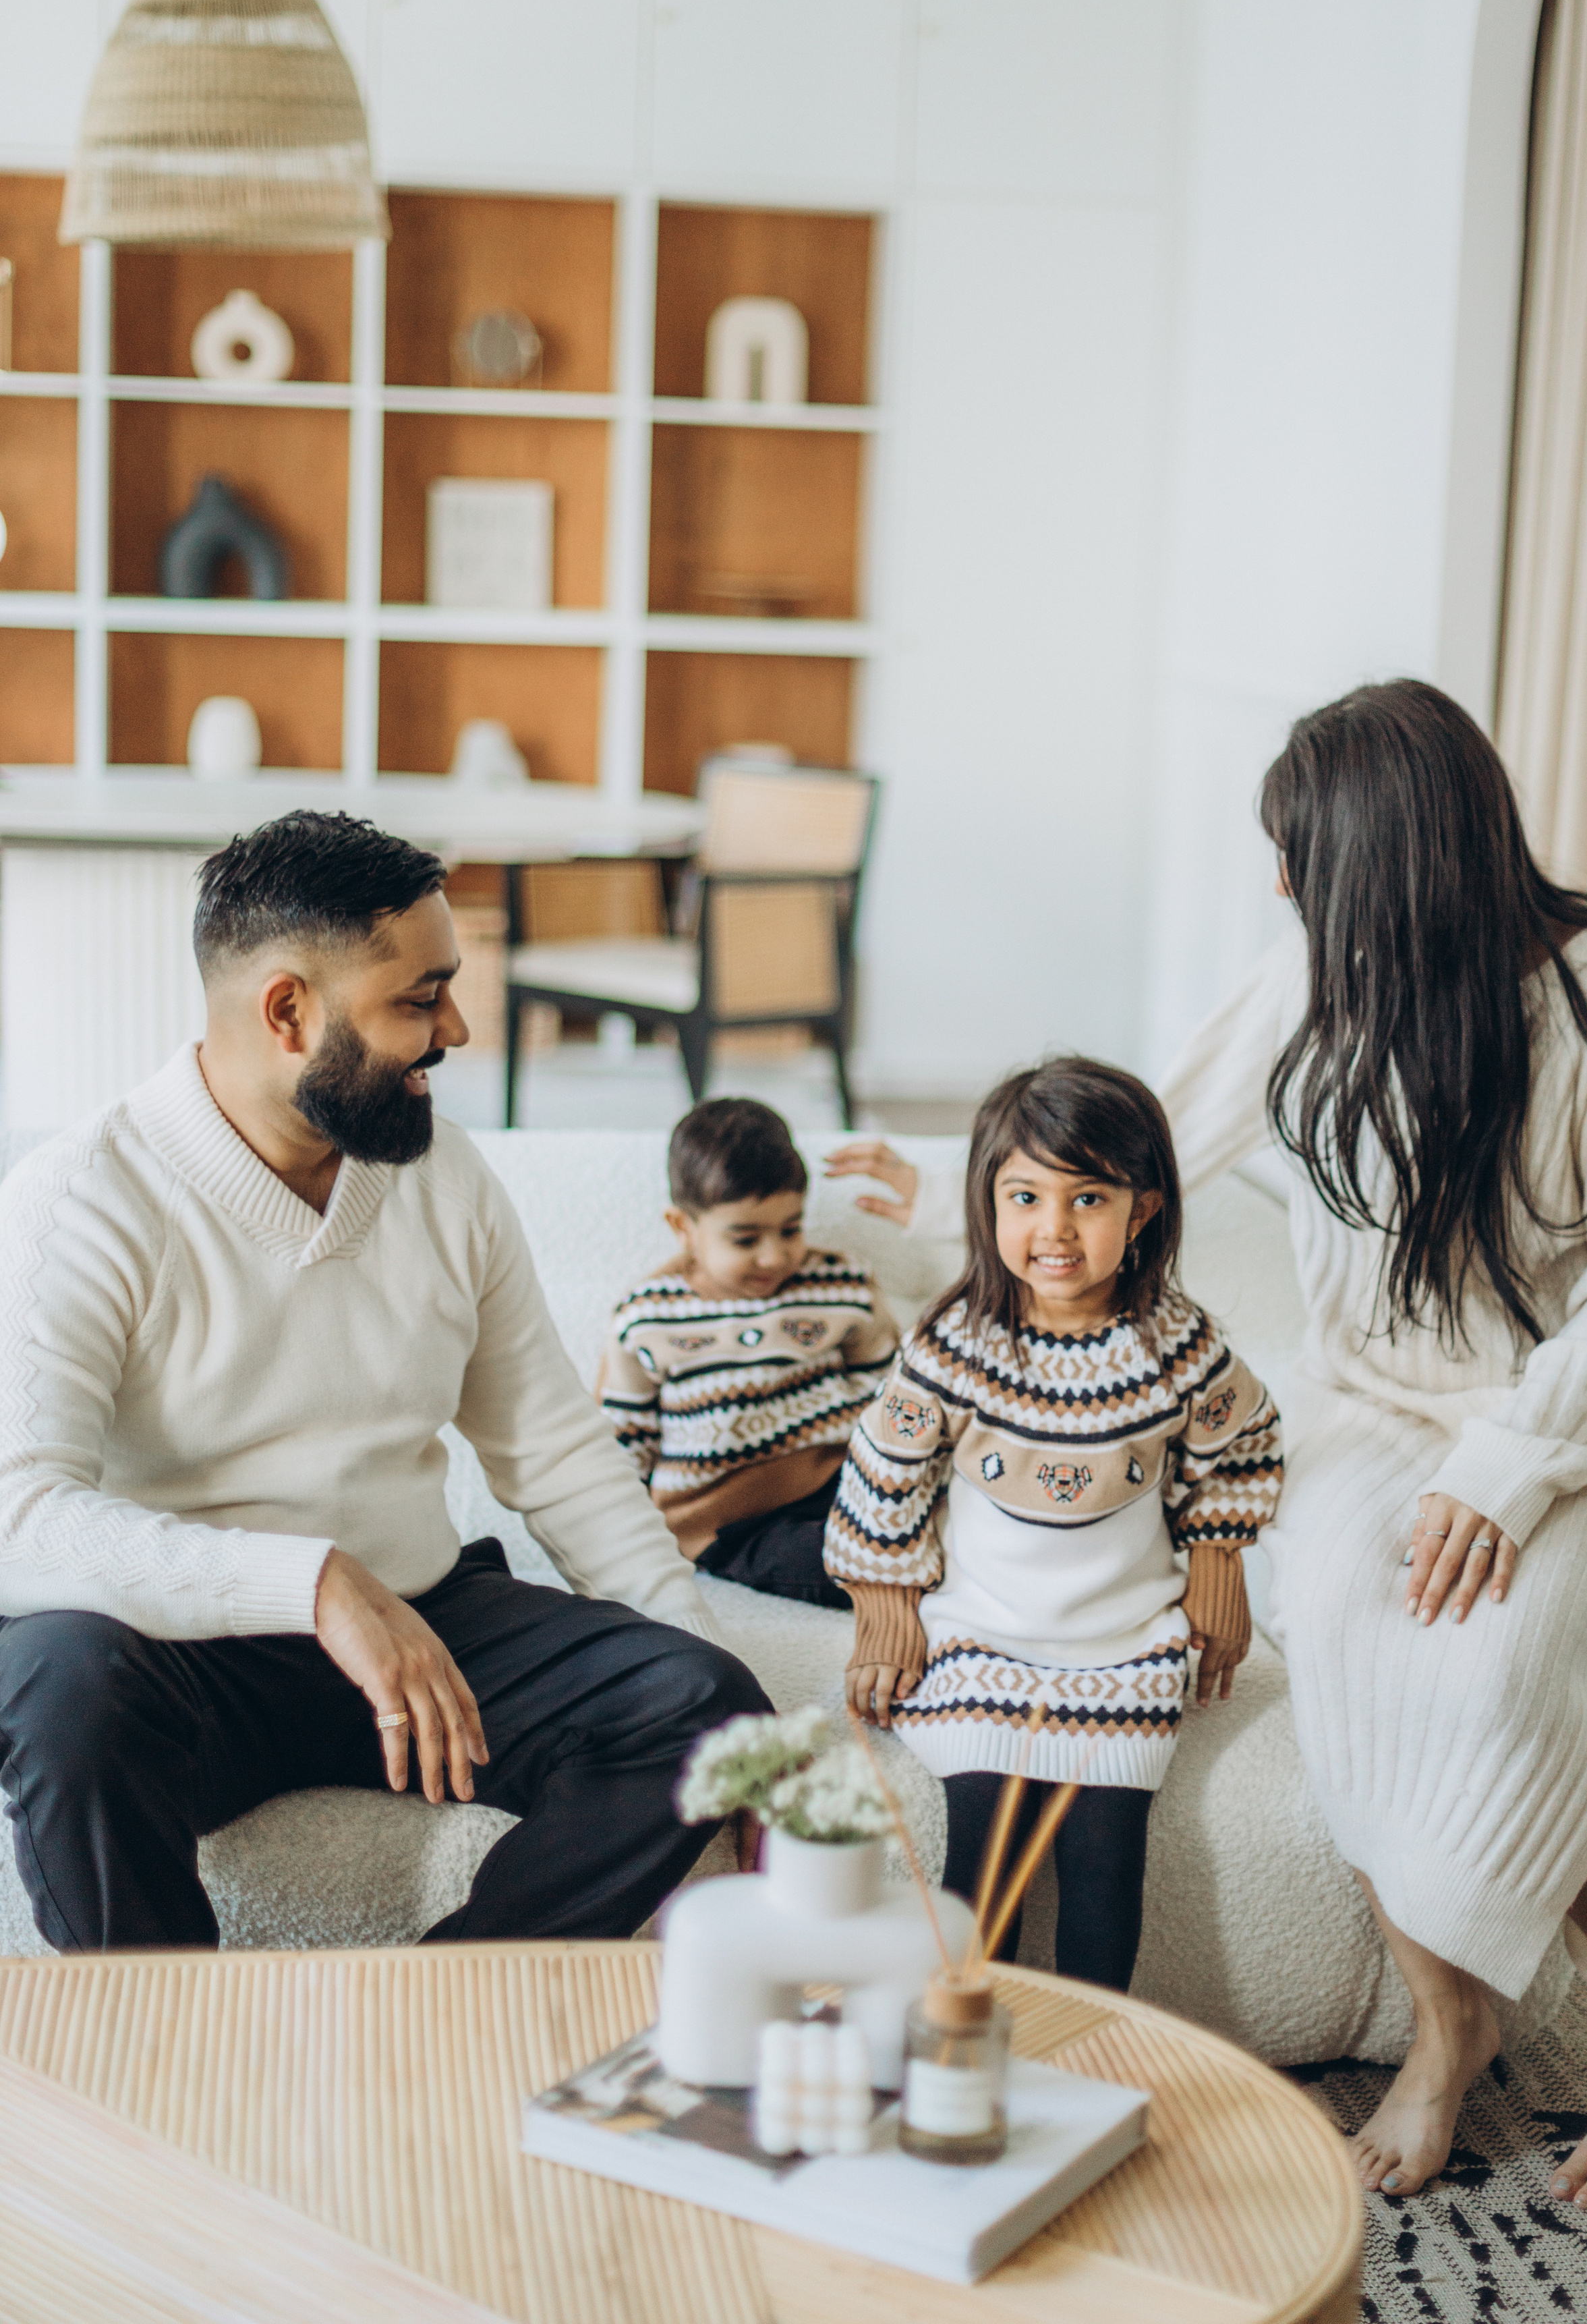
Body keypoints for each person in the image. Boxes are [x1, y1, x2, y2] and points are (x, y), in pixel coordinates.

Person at [0, 810, 768, 1953]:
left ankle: (432, 2002)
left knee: (708, 1708)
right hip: (182, 1662)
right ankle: (160, 2056)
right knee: (55, 1684)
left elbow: (555, 1451)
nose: (458, 1027)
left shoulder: (446, 1179)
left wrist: (724, 1694)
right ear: (288, 1012)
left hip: (428, 1623)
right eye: (419, 999)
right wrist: (316, 1584)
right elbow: (23, 1523)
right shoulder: (85, 1200)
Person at [1157, 680, 1587, 2211]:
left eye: (1296, 853)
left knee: (1499, 1645)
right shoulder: (1314, 980)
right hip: (1374, 1404)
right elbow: (1137, 1137)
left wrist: (1505, 1469)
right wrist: (960, 1175)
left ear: (1384, 850)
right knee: (1339, 1603)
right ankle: (1447, 2019)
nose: (1278, 885)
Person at [825, 1056, 1283, 1992]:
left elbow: (1240, 1444)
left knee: (1107, 1865)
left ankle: (1091, 2062)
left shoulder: (1176, 1345)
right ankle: (956, 2057)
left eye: (1088, 1200)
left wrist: (1219, 1567)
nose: (1054, 1230)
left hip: (1123, 1649)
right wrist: (886, 1601)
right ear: (988, 1205)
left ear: (1142, 1211)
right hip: (982, 1642)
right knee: (981, 1865)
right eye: (1026, 1197)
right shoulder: (957, 1345)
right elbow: (886, 1469)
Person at [598, 1098, 898, 1609]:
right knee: (848, 1563)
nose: (774, 1256)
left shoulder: (841, 1282)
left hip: (841, 1478)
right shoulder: (647, 1317)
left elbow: (890, 1387)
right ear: (683, 1227)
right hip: (728, 1520)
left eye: (791, 1230)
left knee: (943, 1528)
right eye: (745, 1238)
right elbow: (623, 1443)